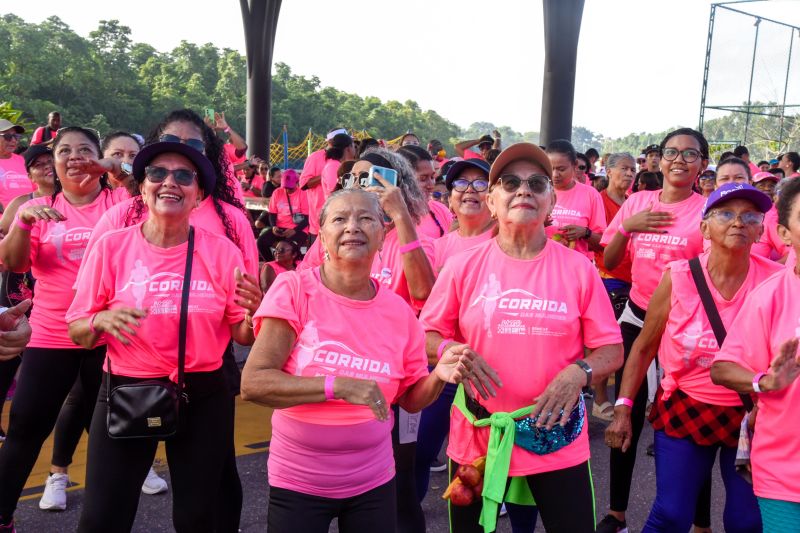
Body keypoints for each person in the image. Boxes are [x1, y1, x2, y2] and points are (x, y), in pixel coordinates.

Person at [240, 187, 473, 533]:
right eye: (339, 219)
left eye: (366, 218)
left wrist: (438, 375)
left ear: (382, 236)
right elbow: (254, 383)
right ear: (322, 236)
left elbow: (410, 400)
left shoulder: (397, 311)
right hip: (299, 481)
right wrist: (339, 386)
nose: (353, 227)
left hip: (373, 481)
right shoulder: (295, 289)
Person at [420, 142, 624, 533]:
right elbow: (427, 334)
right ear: (492, 202)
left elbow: (611, 349)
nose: (523, 190)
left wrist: (578, 372)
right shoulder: (463, 266)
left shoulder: (579, 269)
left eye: (537, 183)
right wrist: (451, 351)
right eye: (510, 182)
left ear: (551, 203)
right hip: (479, 437)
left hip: (555, 435)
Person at [66, 141, 261, 533]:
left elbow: (241, 333)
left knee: (197, 518)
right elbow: (78, 332)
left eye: (183, 176)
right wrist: (101, 320)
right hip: (126, 390)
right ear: (141, 187)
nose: (169, 182)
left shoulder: (222, 253)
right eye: (157, 173)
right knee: (102, 518)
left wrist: (255, 316)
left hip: (203, 395)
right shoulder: (111, 247)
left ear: (199, 195)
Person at [607, 183, 778, 532]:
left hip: (754, 413)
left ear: (761, 228)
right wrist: (623, 407)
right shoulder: (679, 277)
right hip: (686, 405)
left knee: (745, 521)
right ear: (704, 227)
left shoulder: (777, 280)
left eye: (750, 216)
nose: (738, 223)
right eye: (726, 214)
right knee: (672, 513)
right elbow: (643, 346)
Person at [36, 130, 167, 512]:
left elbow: (142, 182)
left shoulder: (136, 196)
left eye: (132, 154)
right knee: (80, 398)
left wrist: (122, 168)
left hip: (126, 318)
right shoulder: (96, 201)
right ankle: (58, 473)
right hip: (81, 318)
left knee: (115, 397)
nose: (124, 160)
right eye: (117, 153)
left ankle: (134, 465)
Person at [0, 127, 122, 531]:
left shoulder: (122, 201)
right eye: (64, 150)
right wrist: (23, 222)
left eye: (84, 149)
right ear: (51, 164)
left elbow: (145, 177)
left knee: (113, 437)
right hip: (52, 332)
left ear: (99, 159)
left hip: (109, 334)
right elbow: (16, 265)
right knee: (25, 427)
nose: (73, 157)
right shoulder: (37, 207)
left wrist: (112, 166)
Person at [598, 128, 709, 533]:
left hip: (683, 328)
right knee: (625, 414)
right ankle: (617, 514)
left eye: (690, 154)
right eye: (671, 152)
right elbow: (610, 259)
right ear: (658, 160)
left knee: (686, 423)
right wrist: (630, 225)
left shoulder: (707, 210)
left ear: (702, 163)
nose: (679, 160)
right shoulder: (638, 202)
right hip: (637, 316)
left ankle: (699, 523)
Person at [711, 177, 800, 531]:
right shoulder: (770, 296)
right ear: (785, 233)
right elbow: (723, 367)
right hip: (786, 471)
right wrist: (765, 381)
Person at [415, 158, 495, 503]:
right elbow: (428, 310)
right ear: (449, 198)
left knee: (489, 465)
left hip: (492, 373)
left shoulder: (510, 242)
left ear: (494, 195)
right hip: (445, 366)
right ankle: (409, 517)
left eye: (480, 184)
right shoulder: (440, 247)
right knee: (420, 450)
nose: (470, 191)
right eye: (461, 185)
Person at [593, 153, 636, 422]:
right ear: (608, 172)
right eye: (624, 168)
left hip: (634, 279)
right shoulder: (599, 200)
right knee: (604, 340)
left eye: (633, 169)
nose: (630, 174)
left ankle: (625, 397)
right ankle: (599, 399)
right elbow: (595, 237)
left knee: (625, 342)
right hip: (607, 276)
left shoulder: (633, 202)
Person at [544, 139, 606, 260]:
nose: (555, 174)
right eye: (551, 169)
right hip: (543, 268)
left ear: (574, 165)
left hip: (577, 270)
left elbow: (602, 243)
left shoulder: (590, 195)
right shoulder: (538, 192)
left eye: (561, 169)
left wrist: (585, 233)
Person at [301, 132, 354, 244]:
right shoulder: (333, 166)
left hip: (331, 220)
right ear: (348, 148)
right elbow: (335, 195)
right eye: (354, 146)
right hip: (325, 221)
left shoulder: (336, 164)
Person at [398, 145, 453, 239]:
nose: (431, 185)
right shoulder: (390, 217)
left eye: (432, 177)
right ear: (401, 179)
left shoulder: (439, 209)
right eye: (423, 179)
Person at [256, 169, 309, 261]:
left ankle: (294, 266)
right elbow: (272, 213)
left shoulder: (303, 194)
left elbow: (307, 219)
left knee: (286, 248)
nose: (287, 190)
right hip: (280, 228)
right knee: (261, 242)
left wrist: (294, 230)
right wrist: (274, 227)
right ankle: (272, 264)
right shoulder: (277, 192)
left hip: (298, 229)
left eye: (290, 188)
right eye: (285, 187)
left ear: (297, 183)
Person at [0, 119, 35, 211]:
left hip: (29, 221)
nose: (13, 140)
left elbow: (36, 189)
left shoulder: (22, 160)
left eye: (16, 136)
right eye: (8, 136)